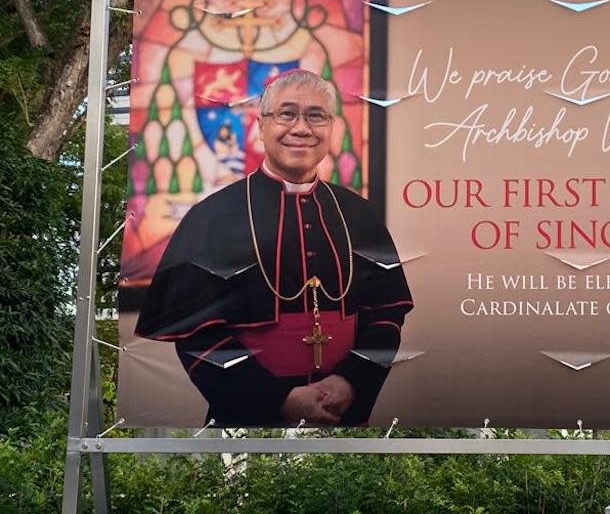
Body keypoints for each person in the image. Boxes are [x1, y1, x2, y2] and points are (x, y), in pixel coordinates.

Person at [135, 70, 413, 426]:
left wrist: (351, 380)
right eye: (287, 114)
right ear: (261, 125)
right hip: (249, 415)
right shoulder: (213, 217)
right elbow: (197, 335)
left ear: (331, 127)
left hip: (343, 411)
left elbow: (386, 314)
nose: (301, 128)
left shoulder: (359, 215)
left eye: (316, 116)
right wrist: (276, 398)